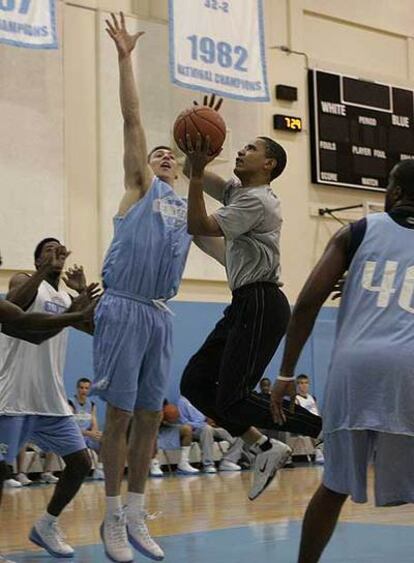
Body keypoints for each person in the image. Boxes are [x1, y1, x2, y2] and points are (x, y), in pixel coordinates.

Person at [92, 13, 224, 563]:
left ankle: (135, 513)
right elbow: (131, 120)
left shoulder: (186, 206)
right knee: (119, 416)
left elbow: (222, 247)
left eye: (171, 155)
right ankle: (109, 519)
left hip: (159, 313)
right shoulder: (140, 188)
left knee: (150, 415)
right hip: (122, 306)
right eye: (159, 154)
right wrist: (126, 59)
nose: (164, 157)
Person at [271, 160, 414, 563]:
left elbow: (306, 306)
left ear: (395, 193)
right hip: (409, 369)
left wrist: (285, 373)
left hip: (355, 370)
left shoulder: (357, 230)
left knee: (333, 486)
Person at [180, 129, 322, 501]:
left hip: (262, 301)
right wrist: (197, 149)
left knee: (234, 398)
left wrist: (196, 174)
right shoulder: (240, 192)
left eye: (250, 148)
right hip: (245, 302)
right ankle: (264, 447)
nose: (241, 151)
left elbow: (198, 224)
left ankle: (326, 428)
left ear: (269, 163)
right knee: (194, 382)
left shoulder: (258, 201)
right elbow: (187, 167)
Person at [0, 238, 99, 561]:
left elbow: (93, 328)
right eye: (46, 249)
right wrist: (42, 270)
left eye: (58, 248)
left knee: (82, 463)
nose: (55, 251)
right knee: (2, 473)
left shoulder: (64, 297)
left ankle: (46, 524)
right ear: (36, 259)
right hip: (14, 394)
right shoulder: (24, 282)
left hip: (50, 398)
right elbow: (14, 307)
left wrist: (83, 297)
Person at [177, 396, 243, 473]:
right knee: (206, 429)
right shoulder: (181, 402)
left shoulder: (200, 400)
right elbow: (184, 422)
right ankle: (208, 464)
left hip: (209, 426)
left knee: (239, 432)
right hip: (195, 429)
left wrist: (214, 421)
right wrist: (201, 425)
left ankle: (228, 461)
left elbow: (208, 415)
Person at [69, 378, 104, 480]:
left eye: (86, 388)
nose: (83, 390)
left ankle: (99, 469)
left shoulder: (91, 405)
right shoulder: (70, 403)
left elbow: (94, 423)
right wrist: (89, 433)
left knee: (103, 440)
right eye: (81, 388)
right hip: (75, 436)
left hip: (87, 435)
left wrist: (95, 433)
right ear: (77, 389)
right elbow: (70, 427)